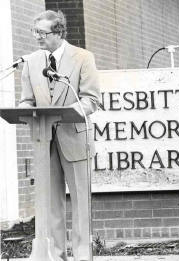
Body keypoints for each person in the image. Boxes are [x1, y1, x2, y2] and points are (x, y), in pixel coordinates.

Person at [19, 10, 101, 261]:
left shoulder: (83, 58)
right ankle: (54, 255)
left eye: (42, 33)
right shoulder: (31, 61)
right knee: (51, 204)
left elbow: (91, 100)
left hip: (75, 138)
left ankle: (82, 255)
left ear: (59, 32)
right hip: (45, 141)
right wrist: (23, 111)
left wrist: (67, 113)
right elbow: (26, 101)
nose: (37, 38)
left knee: (80, 204)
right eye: (35, 32)